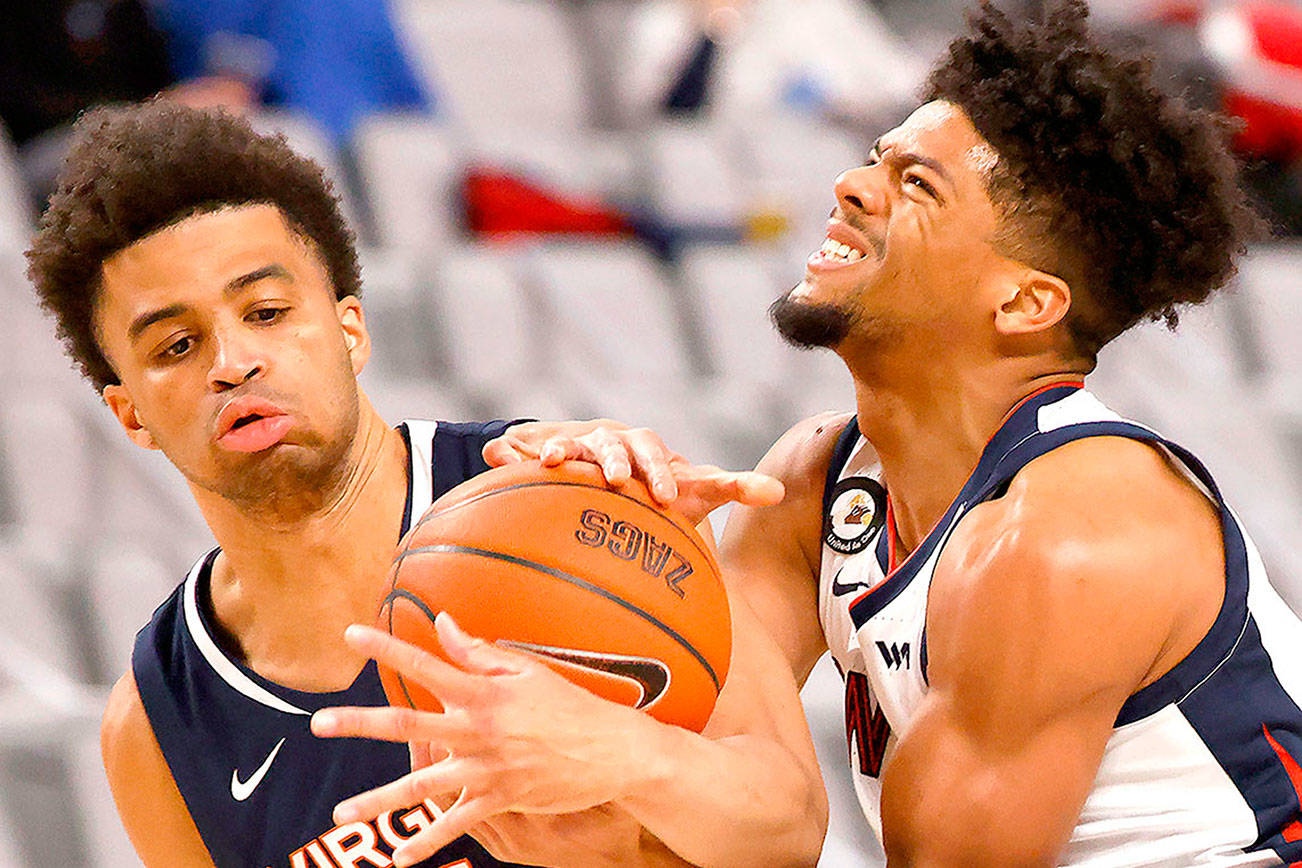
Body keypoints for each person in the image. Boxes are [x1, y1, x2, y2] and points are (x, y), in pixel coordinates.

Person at [314, 1, 1302, 865]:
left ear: (1024, 303)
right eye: (876, 160)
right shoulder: (816, 485)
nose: (852, 187)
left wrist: (633, 767)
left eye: (918, 186)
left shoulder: (1071, 535)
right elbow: (748, 825)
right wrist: (622, 558)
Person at [24, 101, 823, 867]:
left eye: (265, 312)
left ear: (350, 330)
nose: (232, 363)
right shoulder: (157, 725)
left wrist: (623, 768)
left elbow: (790, 827)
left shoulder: (577, 491)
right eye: (176, 346)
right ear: (130, 414)